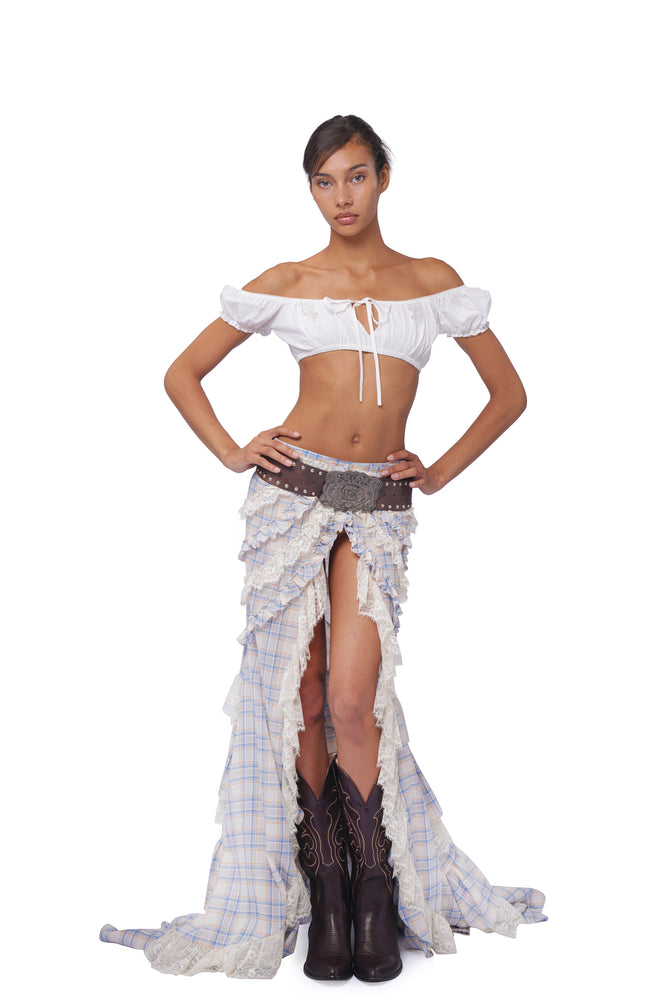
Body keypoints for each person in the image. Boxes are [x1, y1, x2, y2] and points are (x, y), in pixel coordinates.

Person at [100, 114, 547, 982]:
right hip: (293, 497)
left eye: (355, 175)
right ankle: (328, 896)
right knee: (300, 698)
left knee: (350, 698)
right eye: (323, 180)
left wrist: (439, 471)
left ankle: (374, 886)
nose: (341, 196)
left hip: (377, 505)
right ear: (310, 188)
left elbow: (508, 394)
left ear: (384, 177)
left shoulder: (431, 282)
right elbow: (181, 374)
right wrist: (232, 449)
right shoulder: (289, 281)